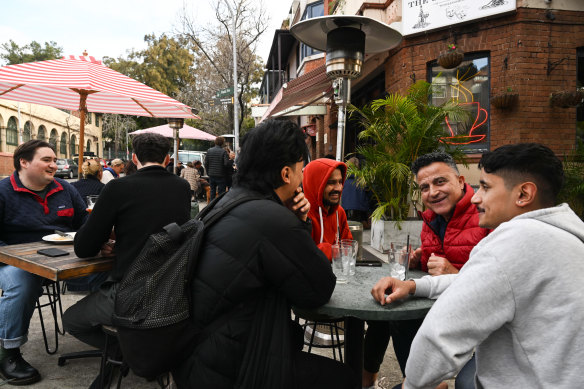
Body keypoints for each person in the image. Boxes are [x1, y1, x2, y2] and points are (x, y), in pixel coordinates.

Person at [372, 143, 584, 388]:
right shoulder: (566, 233)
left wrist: (413, 385)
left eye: (485, 187)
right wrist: (412, 286)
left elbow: (440, 335)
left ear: (523, 194)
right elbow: (479, 279)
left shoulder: (513, 241)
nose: (476, 197)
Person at [172, 119, 357, 389]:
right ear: (286, 174)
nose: (301, 177)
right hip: (235, 369)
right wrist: (300, 224)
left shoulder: (227, 201)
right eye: (300, 170)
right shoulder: (273, 219)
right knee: (345, 379)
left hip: (198, 355)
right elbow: (318, 289)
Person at [63, 133, 191, 388]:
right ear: (167, 158)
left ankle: (124, 352)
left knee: (71, 320)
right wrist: (122, 241)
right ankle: (140, 350)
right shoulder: (182, 187)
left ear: (133, 157)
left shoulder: (119, 188)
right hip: (173, 290)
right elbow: (161, 231)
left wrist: (107, 240)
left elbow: (84, 248)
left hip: (129, 293)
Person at [363, 152, 489, 389]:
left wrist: (454, 272)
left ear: (461, 181)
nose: (432, 192)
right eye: (424, 187)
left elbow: (491, 279)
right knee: (388, 311)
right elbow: (440, 257)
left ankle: (424, 383)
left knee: (402, 317)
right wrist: (416, 261)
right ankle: (406, 381)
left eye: (440, 182)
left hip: (475, 310)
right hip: (439, 299)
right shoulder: (431, 218)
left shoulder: (485, 213)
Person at [0, 140, 87, 385]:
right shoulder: (3, 191)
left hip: (64, 258)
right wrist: (15, 257)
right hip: (10, 262)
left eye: (54, 160)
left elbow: (84, 223)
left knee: (114, 266)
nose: (54, 165)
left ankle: (108, 331)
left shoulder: (65, 188)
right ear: (24, 162)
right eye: (46, 160)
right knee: (22, 282)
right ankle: (8, 353)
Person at [68, 159, 108, 292]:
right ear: (100, 173)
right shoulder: (103, 188)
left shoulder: (72, 186)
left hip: (72, 229)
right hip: (90, 231)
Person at [302, 158, 352, 260]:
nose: (338, 188)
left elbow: (349, 247)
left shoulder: (340, 212)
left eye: (340, 182)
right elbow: (304, 256)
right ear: (316, 185)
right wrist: (333, 250)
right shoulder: (302, 215)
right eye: (331, 182)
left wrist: (326, 250)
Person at [341, 157, 372, 229]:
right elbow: (369, 195)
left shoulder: (342, 179)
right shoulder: (363, 179)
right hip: (361, 210)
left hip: (345, 209)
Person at [204, 136, 235, 200]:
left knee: (212, 191)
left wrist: (208, 172)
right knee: (221, 193)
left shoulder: (209, 151)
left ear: (215, 142)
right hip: (221, 175)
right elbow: (226, 164)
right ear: (222, 143)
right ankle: (219, 206)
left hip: (211, 174)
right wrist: (231, 160)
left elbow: (206, 163)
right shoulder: (223, 152)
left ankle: (211, 205)